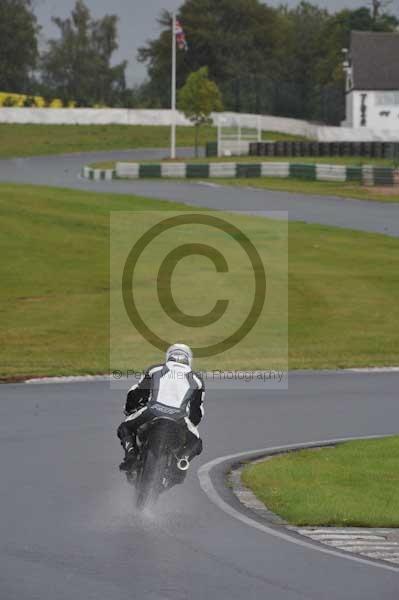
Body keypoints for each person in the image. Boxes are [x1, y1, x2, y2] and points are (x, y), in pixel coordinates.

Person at [117, 343, 204, 474]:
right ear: (189, 360)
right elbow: (197, 413)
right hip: (179, 417)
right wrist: (191, 423)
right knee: (196, 442)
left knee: (125, 427)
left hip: (151, 412)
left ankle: (131, 455)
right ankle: (182, 459)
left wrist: (129, 410)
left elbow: (137, 394)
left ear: (168, 357)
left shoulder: (155, 369)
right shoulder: (197, 380)